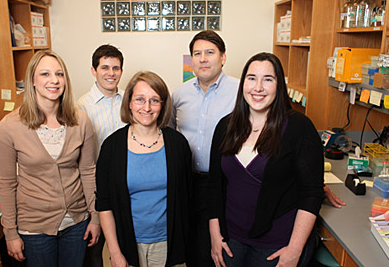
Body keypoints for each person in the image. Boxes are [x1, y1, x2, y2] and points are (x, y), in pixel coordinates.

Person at [207, 53, 324, 267]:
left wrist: (295, 250)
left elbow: (311, 193)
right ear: (243, 83)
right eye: (251, 78)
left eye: (268, 79)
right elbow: (215, 185)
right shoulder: (225, 126)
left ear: (279, 85)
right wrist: (215, 235)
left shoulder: (299, 128)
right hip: (231, 238)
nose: (258, 87)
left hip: (277, 244)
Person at [0, 50, 100, 267]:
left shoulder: (80, 121)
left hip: (76, 223)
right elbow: (7, 184)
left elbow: (88, 172)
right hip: (34, 228)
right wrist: (10, 233)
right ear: (32, 80)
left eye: (59, 74)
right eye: (45, 74)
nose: (54, 80)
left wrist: (95, 217)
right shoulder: (10, 126)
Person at [96, 71, 192, 267]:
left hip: (169, 243)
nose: (147, 108)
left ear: (163, 105)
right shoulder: (112, 147)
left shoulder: (178, 144)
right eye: (140, 99)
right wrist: (114, 252)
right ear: (129, 102)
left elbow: (187, 199)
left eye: (154, 100)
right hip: (126, 243)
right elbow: (104, 204)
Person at [170, 30, 239, 267]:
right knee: (192, 247)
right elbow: (169, 136)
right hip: (187, 181)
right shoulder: (179, 94)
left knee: (221, 248)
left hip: (224, 183)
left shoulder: (241, 92)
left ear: (223, 57)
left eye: (210, 52)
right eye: (197, 54)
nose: (203, 59)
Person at [77, 44, 126, 267]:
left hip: (127, 185)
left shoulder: (130, 101)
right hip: (97, 188)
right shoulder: (81, 107)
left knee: (125, 248)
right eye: (105, 67)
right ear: (93, 70)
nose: (111, 73)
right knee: (95, 251)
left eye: (116, 68)